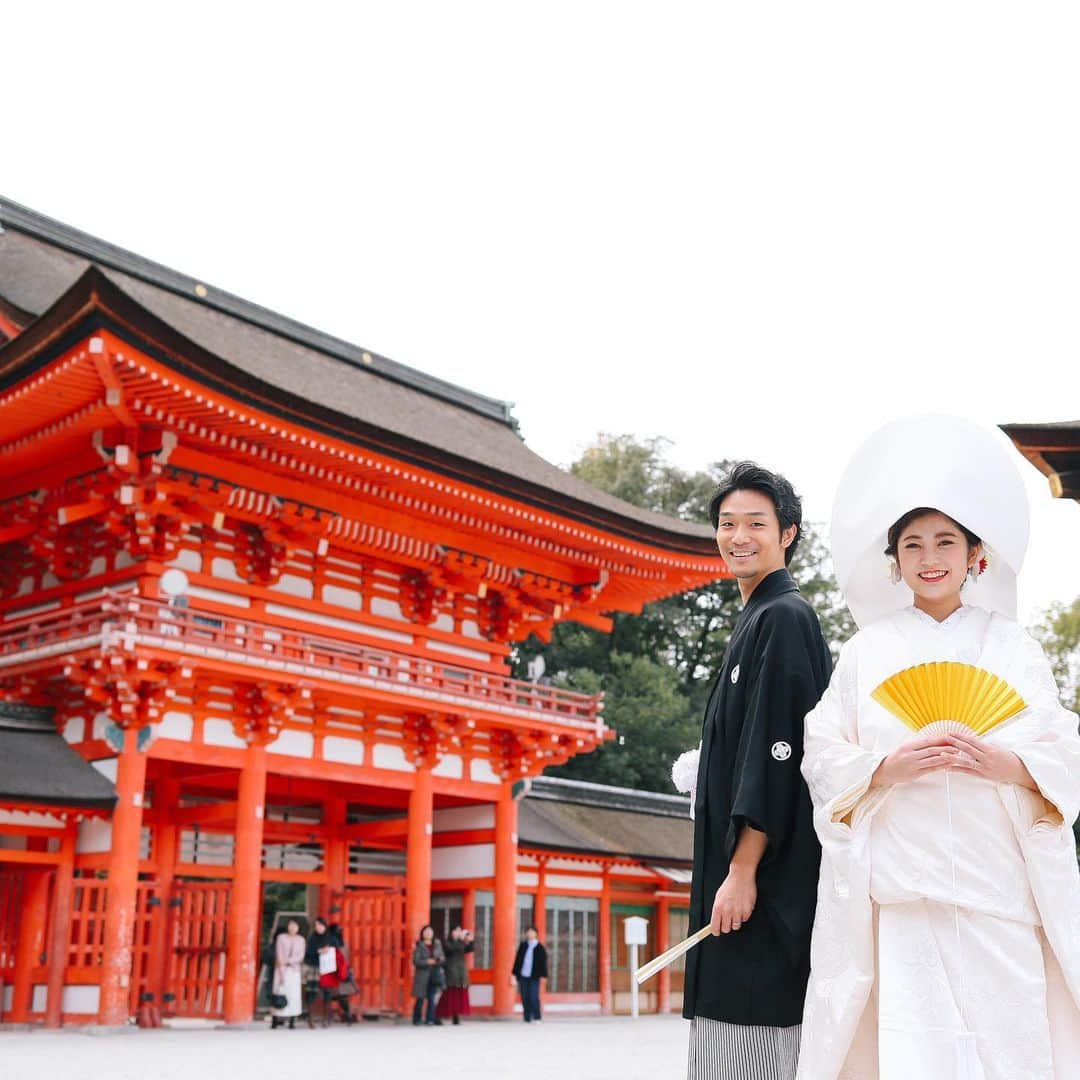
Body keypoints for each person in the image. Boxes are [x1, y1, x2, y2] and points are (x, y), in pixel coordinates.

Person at [798, 415, 1080, 1079]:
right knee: (913, 1043)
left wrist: (1009, 764)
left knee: (1009, 1041)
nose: (931, 557)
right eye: (914, 544)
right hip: (906, 881)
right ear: (894, 562)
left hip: (996, 880)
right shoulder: (867, 651)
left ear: (975, 554)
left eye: (946, 541)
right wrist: (883, 768)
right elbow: (822, 749)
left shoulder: (1016, 649)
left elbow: (1061, 745)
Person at [682, 462, 832, 1080]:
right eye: (726, 524)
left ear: (788, 533)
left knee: (751, 1046)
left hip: (762, 884)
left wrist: (742, 871)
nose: (738, 536)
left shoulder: (786, 618)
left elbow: (780, 755)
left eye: (756, 524)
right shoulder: (753, 619)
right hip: (734, 878)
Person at [305, 916, 356, 1026]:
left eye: (320, 925)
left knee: (328, 993)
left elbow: (338, 952)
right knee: (311, 992)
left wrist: (329, 950)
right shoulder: (312, 938)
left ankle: (326, 1018)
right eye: (316, 925)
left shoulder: (331, 938)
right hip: (315, 967)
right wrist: (318, 951)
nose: (318, 927)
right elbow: (308, 953)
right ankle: (310, 1019)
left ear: (325, 926)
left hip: (328, 968)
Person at [270, 918, 305, 1029]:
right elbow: (279, 953)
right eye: (291, 925)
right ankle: (275, 1019)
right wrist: (281, 967)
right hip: (281, 968)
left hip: (294, 970)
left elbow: (300, 956)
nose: (293, 927)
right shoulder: (281, 938)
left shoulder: (301, 940)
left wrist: (289, 961)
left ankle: (292, 1020)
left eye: (295, 925)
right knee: (279, 992)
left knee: (293, 995)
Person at [437, 926, 474, 1025]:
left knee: (458, 995)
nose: (458, 932)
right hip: (451, 971)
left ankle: (456, 1016)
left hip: (461, 971)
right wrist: (462, 940)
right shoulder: (447, 943)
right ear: (451, 932)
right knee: (448, 995)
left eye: (459, 930)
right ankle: (438, 1015)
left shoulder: (461, 943)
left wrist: (470, 940)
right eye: (456, 930)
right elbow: (454, 949)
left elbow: (470, 949)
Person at [411, 924, 446, 1026]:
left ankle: (430, 1019)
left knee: (432, 997)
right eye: (426, 931)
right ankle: (416, 1019)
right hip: (422, 975)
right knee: (420, 998)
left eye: (430, 931)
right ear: (422, 933)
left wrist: (436, 961)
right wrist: (427, 962)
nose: (428, 933)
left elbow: (442, 958)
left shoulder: (437, 944)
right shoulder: (419, 945)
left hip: (434, 974)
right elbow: (416, 960)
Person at [512, 926, 548, 1023]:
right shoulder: (523, 945)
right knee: (524, 996)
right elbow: (518, 960)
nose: (530, 934)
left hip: (534, 976)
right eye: (528, 932)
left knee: (533, 996)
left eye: (532, 932)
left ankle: (537, 1016)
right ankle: (527, 1017)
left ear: (536, 934)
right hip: (523, 974)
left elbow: (543, 962)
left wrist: (544, 975)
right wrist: (514, 974)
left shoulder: (540, 947)